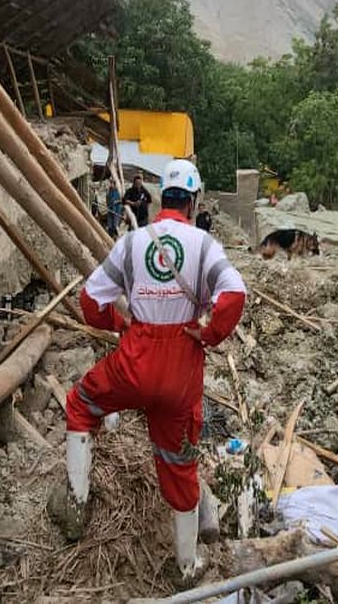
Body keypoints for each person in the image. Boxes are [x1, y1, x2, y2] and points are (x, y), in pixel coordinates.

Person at [49, 159, 247, 583]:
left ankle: (77, 508)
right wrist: (209, 335)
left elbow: (89, 302)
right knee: (179, 462)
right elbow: (235, 293)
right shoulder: (204, 245)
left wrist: (119, 324)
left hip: (134, 359)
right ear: (193, 202)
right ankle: (187, 565)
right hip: (181, 370)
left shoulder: (132, 242)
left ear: (161, 198)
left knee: (82, 405)